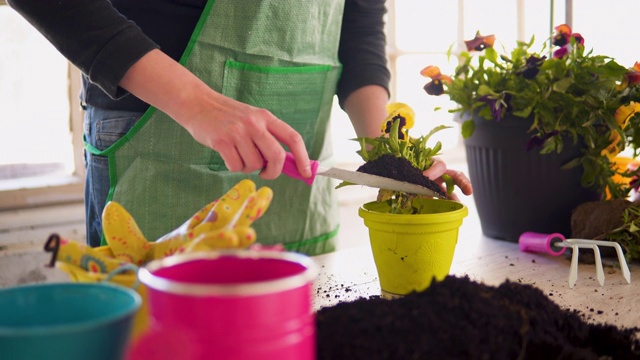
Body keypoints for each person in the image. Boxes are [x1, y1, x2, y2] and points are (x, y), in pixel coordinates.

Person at [8, 0, 473, 255]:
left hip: (300, 170)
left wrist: (388, 153)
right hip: (156, 125)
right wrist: (197, 103)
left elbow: (359, 19)